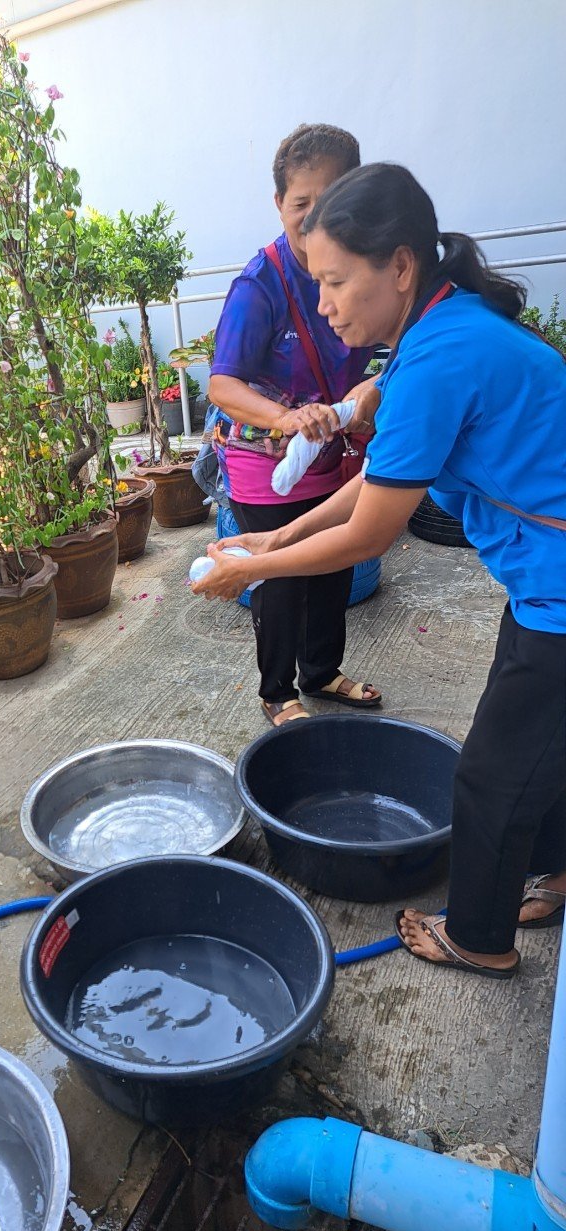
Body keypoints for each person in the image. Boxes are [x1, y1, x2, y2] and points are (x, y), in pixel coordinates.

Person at [192, 161, 566, 978]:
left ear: (398, 266)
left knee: (491, 779)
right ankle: (557, 870)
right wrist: (272, 542)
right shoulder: (436, 329)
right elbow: (377, 480)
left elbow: (369, 533)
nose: (324, 305)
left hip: (559, 587)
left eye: (335, 281)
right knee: (546, 742)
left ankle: (478, 938)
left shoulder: (438, 355)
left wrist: (254, 570)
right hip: (545, 582)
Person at [208, 123, 382, 728]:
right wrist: (287, 419)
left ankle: (322, 672)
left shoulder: (367, 270)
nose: (313, 220)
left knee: (334, 567)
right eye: (299, 204)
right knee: (277, 580)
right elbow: (221, 384)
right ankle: (277, 691)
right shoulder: (261, 284)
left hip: (334, 457)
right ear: (279, 204)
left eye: (329, 200)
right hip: (267, 467)